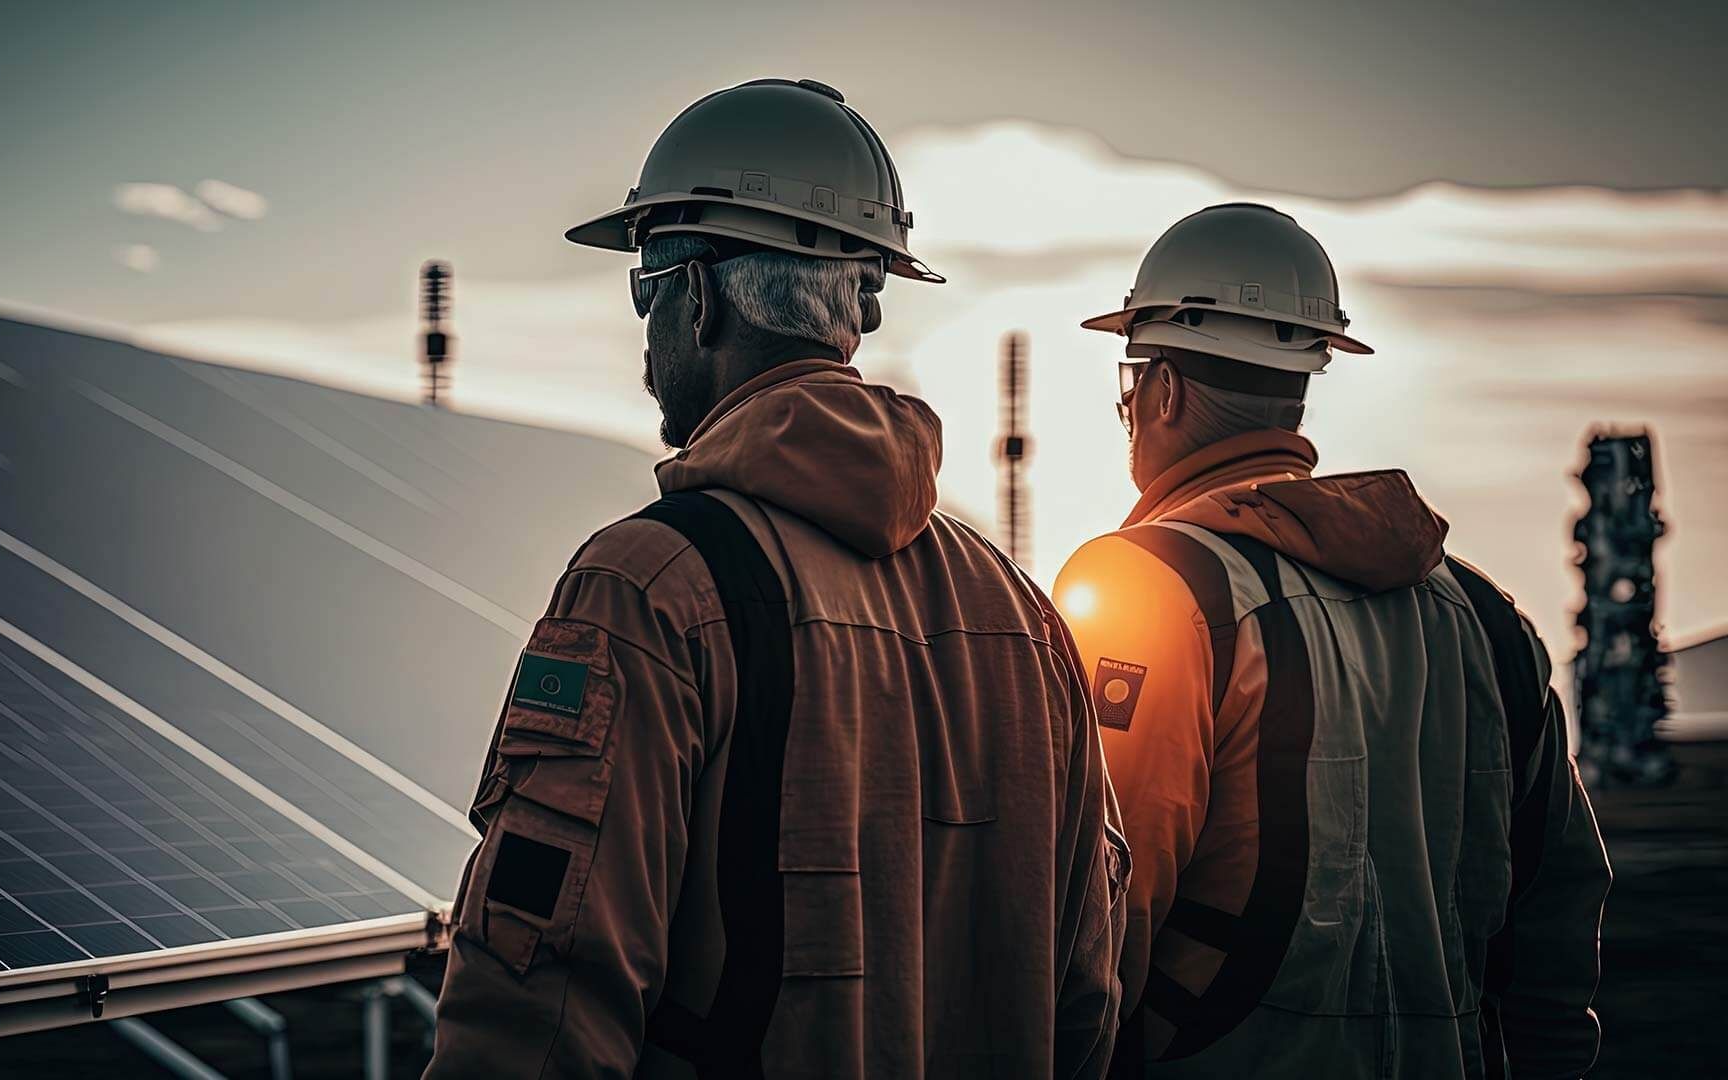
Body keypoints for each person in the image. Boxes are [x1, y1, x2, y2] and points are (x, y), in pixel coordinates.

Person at [427, 78, 1128, 1079]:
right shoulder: (1025, 616)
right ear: (861, 302)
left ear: (697, 295)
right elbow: (1086, 993)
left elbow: (539, 992)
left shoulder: (646, 586)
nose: (644, 330)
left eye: (644, 286)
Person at [1053, 203, 1610, 1078]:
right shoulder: (1485, 615)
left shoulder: (1150, 589)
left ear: (1158, 390)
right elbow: (1557, 897)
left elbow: (1098, 909)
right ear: (1307, 377)